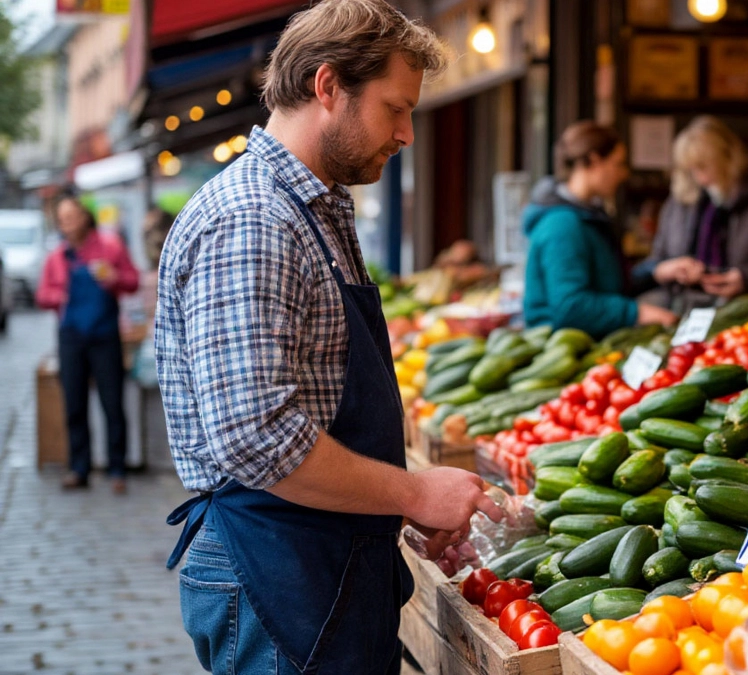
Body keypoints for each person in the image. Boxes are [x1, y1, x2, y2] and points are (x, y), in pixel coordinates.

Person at [154, 2, 503, 673]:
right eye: (395, 108)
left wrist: (394, 504)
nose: (406, 134)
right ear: (327, 86)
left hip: (319, 559)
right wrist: (412, 492)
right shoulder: (254, 218)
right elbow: (255, 436)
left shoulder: (314, 208)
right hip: (277, 571)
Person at [631, 116, 748, 311]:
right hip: (684, 308)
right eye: (691, 170)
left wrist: (747, 278)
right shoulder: (678, 204)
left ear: (729, 158)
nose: (699, 178)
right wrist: (668, 269)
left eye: (704, 167)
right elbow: (655, 260)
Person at [523, 121, 677, 338]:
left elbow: (607, 284)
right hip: (565, 347)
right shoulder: (562, 225)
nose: (624, 174)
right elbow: (571, 306)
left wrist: (655, 272)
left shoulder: (588, 215)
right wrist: (636, 312)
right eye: (618, 164)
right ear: (594, 161)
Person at [36, 196, 139, 494]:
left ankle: (117, 468)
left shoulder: (110, 247)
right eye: (61, 218)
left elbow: (132, 281)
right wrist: (61, 296)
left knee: (112, 403)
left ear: (85, 217)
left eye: (70, 216)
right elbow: (42, 295)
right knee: (74, 404)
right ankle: (79, 467)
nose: (65, 223)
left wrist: (114, 277)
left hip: (105, 335)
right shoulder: (57, 257)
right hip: (71, 337)